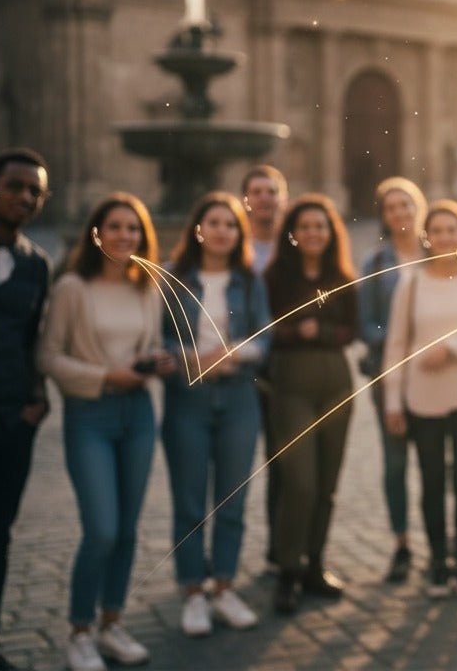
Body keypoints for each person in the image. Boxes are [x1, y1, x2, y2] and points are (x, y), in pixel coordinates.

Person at [38, 193, 177, 671]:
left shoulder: (147, 288)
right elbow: (48, 356)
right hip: (90, 416)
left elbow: (149, 344)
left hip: (137, 414)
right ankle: (79, 631)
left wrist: (155, 361)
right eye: (115, 226)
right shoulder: (72, 288)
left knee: (128, 530)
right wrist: (105, 376)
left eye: (133, 228)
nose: (125, 235)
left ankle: (111, 624)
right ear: (96, 234)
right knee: (102, 529)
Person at [160, 193, 272, 636]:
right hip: (188, 398)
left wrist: (232, 353)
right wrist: (191, 357)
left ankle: (224, 587)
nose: (222, 230)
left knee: (232, 500)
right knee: (189, 501)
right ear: (198, 229)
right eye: (214, 222)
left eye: (230, 224)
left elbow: (265, 338)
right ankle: (193, 592)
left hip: (239, 396)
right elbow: (158, 338)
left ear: (239, 233)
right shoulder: (174, 279)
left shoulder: (249, 280)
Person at [381, 200, 457, 599]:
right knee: (431, 482)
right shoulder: (411, 284)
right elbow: (396, 345)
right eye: (438, 231)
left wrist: (452, 349)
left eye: (453, 230)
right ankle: (437, 563)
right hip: (422, 399)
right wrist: (393, 402)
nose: (446, 237)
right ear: (427, 237)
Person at [263, 194, 358, 614]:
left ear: (330, 232)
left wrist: (318, 331)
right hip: (291, 384)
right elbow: (266, 329)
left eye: (320, 226)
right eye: (304, 226)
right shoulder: (274, 277)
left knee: (326, 484)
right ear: (293, 234)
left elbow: (352, 330)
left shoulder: (342, 275)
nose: (313, 233)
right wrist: (296, 332)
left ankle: (315, 565)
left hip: (336, 383)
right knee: (299, 482)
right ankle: (288, 568)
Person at [0, 149, 52, 671]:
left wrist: (37, 401)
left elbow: (32, 339)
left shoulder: (37, 264)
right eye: (15, 186)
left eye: (35, 191)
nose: (25, 197)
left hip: (11, 422)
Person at [359, 177, 427, 582]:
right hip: (389, 375)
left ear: (418, 208)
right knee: (395, 462)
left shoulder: (440, 253)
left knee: (436, 462)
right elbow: (366, 324)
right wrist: (403, 342)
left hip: (437, 375)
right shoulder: (375, 264)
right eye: (391, 207)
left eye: (406, 204)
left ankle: (440, 541)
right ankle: (401, 543)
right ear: (384, 216)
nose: (400, 212)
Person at [240, 164, 288, 570]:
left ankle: (279, 547)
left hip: (283, 368)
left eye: (271, 191)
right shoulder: (234, 248)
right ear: (245, 199)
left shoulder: (291, 248)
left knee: (282, 462)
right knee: (233, 465)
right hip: (240, 369)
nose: (264, 198)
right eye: (256, 191)